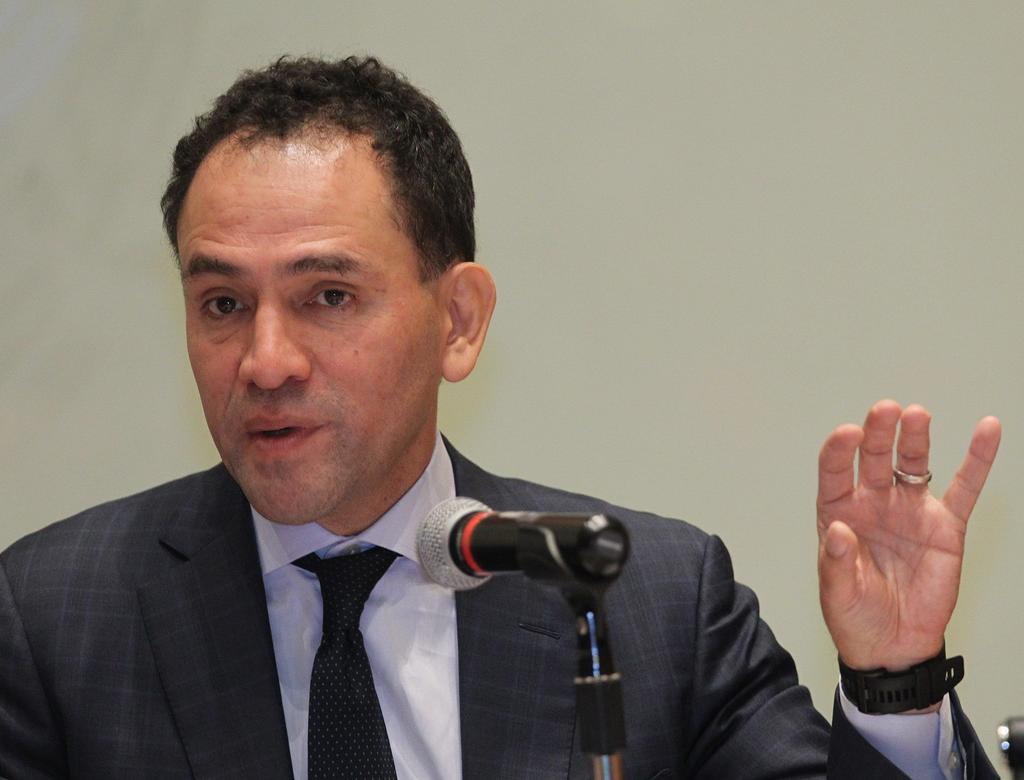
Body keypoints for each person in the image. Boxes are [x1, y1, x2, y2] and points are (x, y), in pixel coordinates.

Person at [0, 56, 1002, 780]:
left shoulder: (646, 604)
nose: (265, 361)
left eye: (328, 297)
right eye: (222, 303)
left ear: (459, 320)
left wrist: (895, 681)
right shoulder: (54, 620)